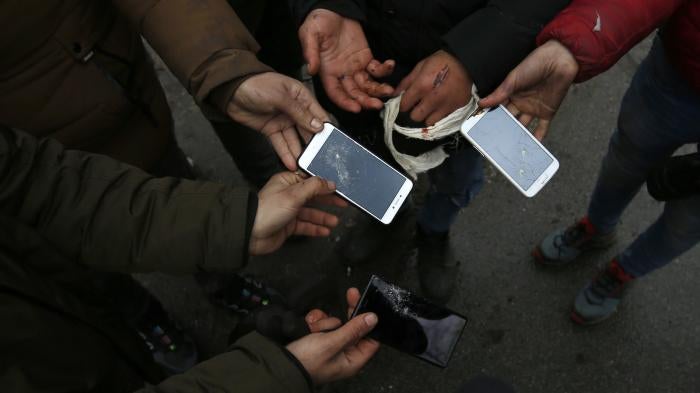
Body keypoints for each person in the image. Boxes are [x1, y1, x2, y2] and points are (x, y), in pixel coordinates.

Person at [0, 0, 332, 368]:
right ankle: (143, 317)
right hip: (28, 200)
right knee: (85, 267)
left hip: (130, 105)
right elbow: (43, 192)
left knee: (177, 184)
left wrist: (225, 69)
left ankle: (222, 282)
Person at [0, 126, 379, 392]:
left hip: (82, 330)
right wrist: (282, 374)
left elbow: (43, 183)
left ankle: (186, 311)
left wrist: (239, 224)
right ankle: (149, 325)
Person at [288, 0, 570, 302]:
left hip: (476, 83)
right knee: (369, 161)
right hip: (363, 61)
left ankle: (434, 231)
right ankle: (387, 215)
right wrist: (329, 4)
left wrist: (472, 57)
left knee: (456, 178)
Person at [480, 0, 700, 325]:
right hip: (679, 76)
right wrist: (574, 43)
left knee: (688, 222)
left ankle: (626, 270)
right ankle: (597, 227)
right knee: (625, 161)